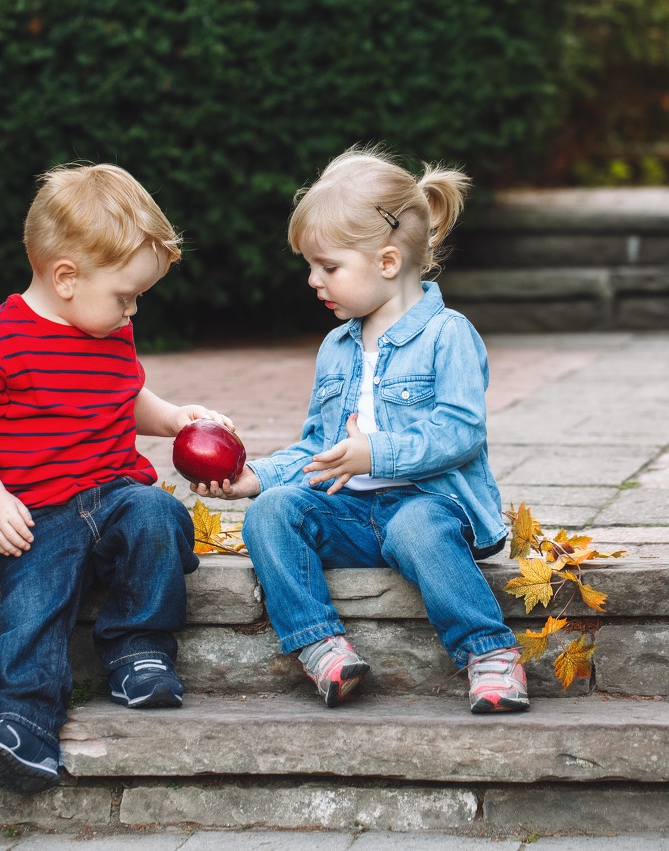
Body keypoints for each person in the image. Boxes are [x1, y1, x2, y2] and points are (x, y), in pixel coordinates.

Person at [194, 146, 527, 714]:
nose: (311, 280)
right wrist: (257, 477)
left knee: (418, 529)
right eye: (310, 266)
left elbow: (460, 432)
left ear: (389, 263)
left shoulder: (449, 335)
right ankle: (323, 646)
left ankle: (489, 653)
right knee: (272, 513)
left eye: (328, 267)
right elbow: (319, 450)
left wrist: (377, 453)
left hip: (430, 505)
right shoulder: (336, 347)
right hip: (352, 515)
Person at [0, 163, 233, 794]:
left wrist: (176, 416)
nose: (131, 311)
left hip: (116, 494)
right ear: (66, 278)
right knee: (33, 606)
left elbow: (126, 399)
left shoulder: (111, 334)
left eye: (136, 299)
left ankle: (139, 649)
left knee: (159, 515)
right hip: (37, 511)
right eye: (125, 295)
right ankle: (22, 721)